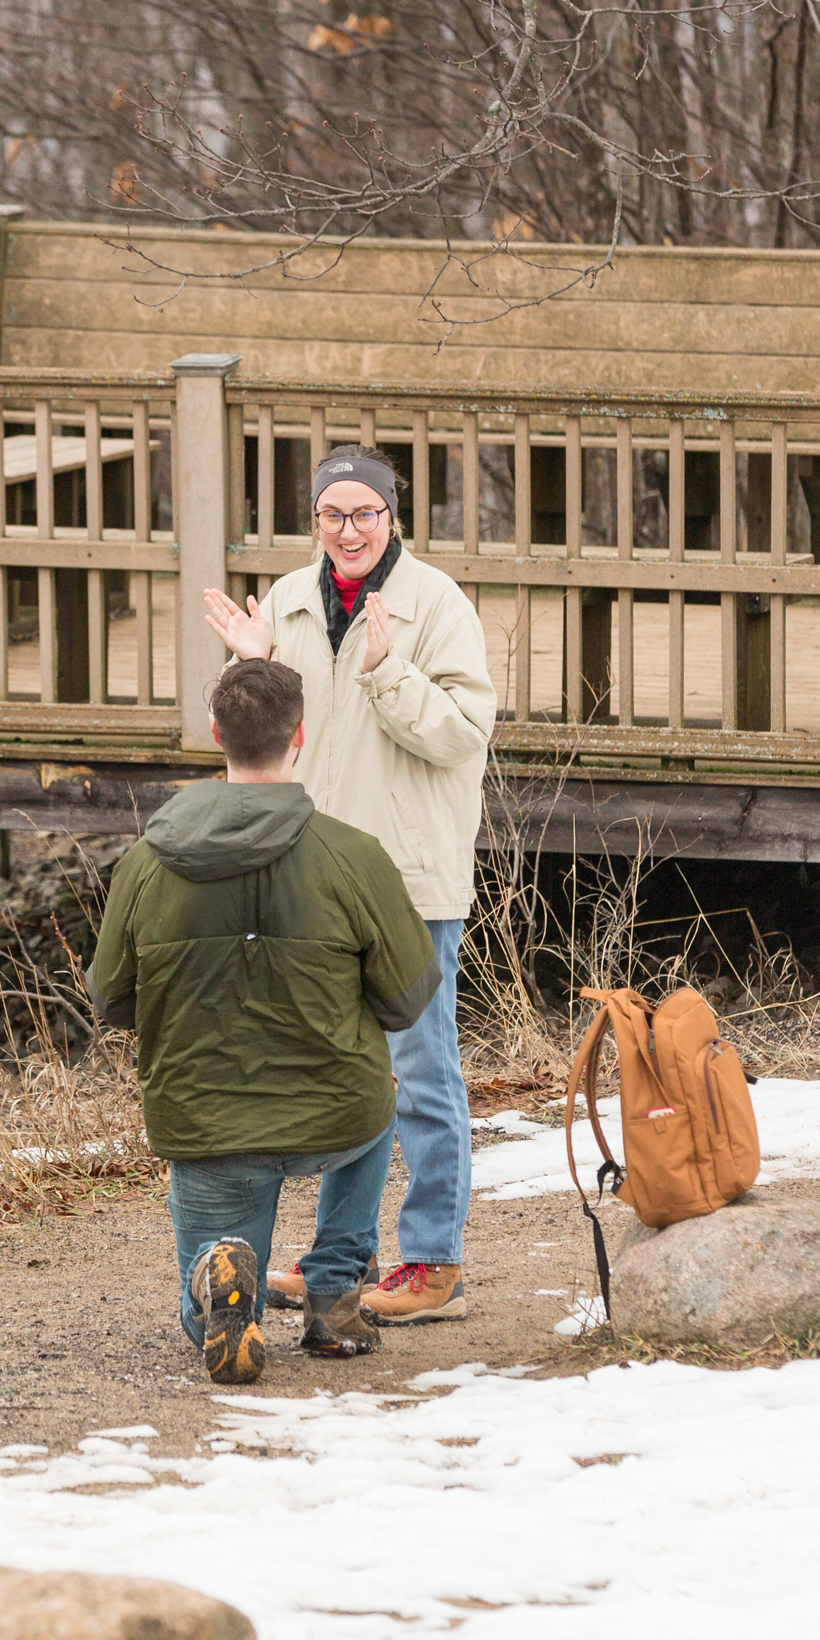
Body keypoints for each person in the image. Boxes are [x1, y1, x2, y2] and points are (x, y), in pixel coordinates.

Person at [204, 443, 497, 1324]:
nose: (348, 529)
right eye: (332, 514)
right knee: (339, 1071)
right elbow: (263, 741)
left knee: (420, 1069)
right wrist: (249, 665)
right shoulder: (289, 603)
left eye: (364, 512)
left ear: (391, 516)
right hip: (316, 872)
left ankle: (432, 1258)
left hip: (409, 878)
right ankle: (341, 1255)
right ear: (316, 521)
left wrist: (386, 673)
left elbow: (458, 737)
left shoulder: (434, 604)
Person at [86, 656, 440, 1386]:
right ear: (299, 736)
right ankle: (336, 1304)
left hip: (207, 1121)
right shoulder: (354, 857)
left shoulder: (146, 862)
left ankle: (220, 1290)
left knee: (209, 1293)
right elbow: (407, 999)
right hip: (339, 1114)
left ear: (215, 733)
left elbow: (112, 998)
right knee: (376, 1098)